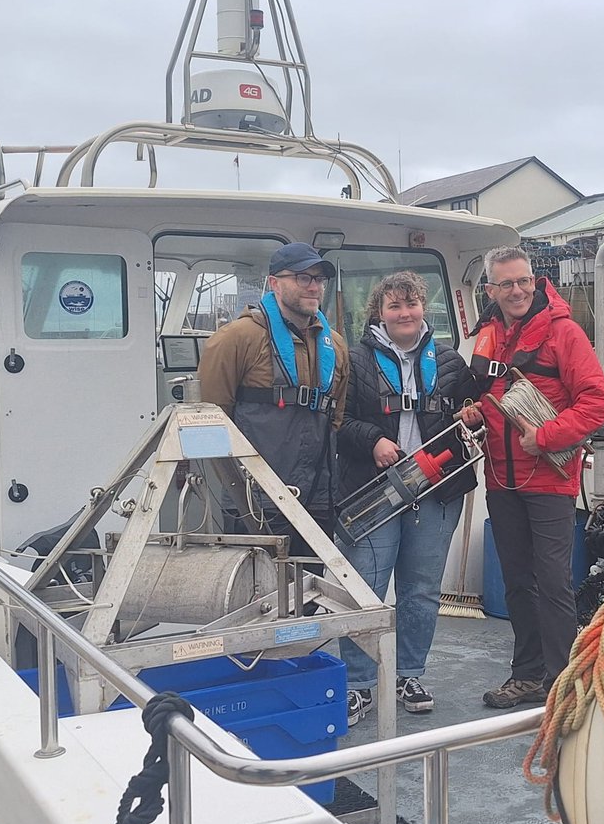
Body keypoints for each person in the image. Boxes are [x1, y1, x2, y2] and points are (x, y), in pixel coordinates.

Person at [467, 245, 604, 708]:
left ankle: (563, 679)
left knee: (552, 581)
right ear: (490, 289)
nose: (517, 291)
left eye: (524, 281)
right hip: (501, 478)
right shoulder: (489, 333)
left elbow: (596, 402)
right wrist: (472, 411)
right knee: (516, 581)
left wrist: (546, 437)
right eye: (506, 283)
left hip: (549, 479)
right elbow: (487, 393)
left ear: (536, 280)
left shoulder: (564, 333)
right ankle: (527, 674)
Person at [336, 271, 479, 727]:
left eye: (412, 305)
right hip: (373, 492)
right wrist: (373, 440)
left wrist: (472, 415)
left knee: (420, 592)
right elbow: (338, 422)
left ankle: (409, 674)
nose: (405, 314)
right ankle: (358, 684)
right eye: (395, 306)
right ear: (379, 312)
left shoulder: (452, 362)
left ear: (424, 310)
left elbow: (470, 417)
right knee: (365, 592)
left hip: (436, 493)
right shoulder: (354, 361)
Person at [198, 242, 350, 551]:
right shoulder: (235, 339)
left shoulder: (335, 345)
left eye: (319, 279)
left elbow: (336, 418)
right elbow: (212, 419)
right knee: (253, 593)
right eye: (302, 278)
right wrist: (238, 489)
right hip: (255, 500)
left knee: (311, 591)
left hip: (318, 499)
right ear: (274, 283)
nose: (314, 287)